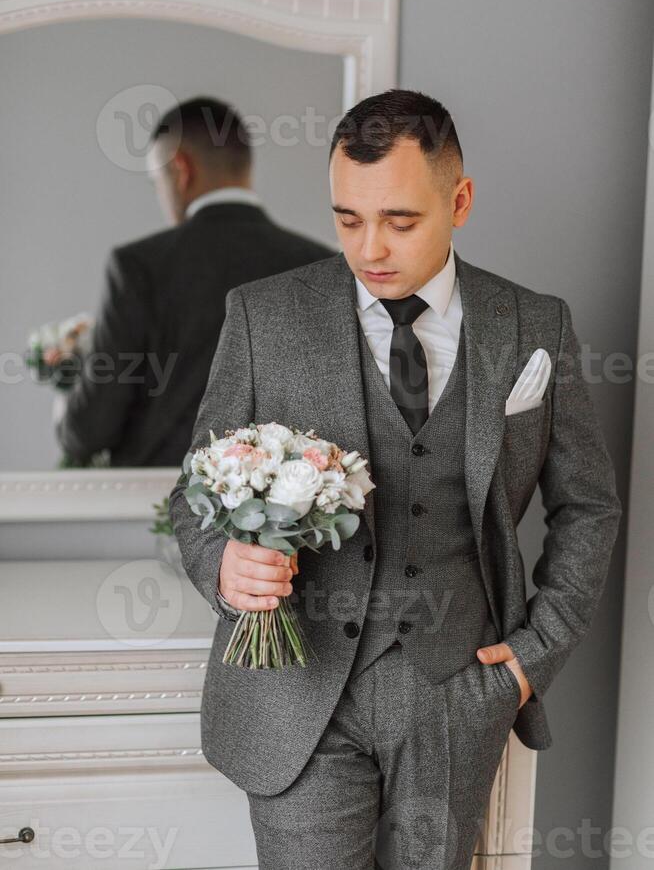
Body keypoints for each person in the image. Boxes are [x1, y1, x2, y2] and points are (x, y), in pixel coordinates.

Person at [168, 89, 622, 869]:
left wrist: (528, 660)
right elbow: (193, 493)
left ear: (460, 200)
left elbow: (587, 506)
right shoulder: (263, 316)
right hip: (297, 687)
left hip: (456, 691)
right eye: (348, 218)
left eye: (400, 221)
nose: (370, 247)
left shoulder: (532, 326)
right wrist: (224, 566)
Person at [56, 97, 335, 467]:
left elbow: (91, 430)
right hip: (284, 514)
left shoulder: (139, 266)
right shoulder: (319, 263)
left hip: (152, 502)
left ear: (181, 169)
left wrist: (64, 404)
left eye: (156, 180)